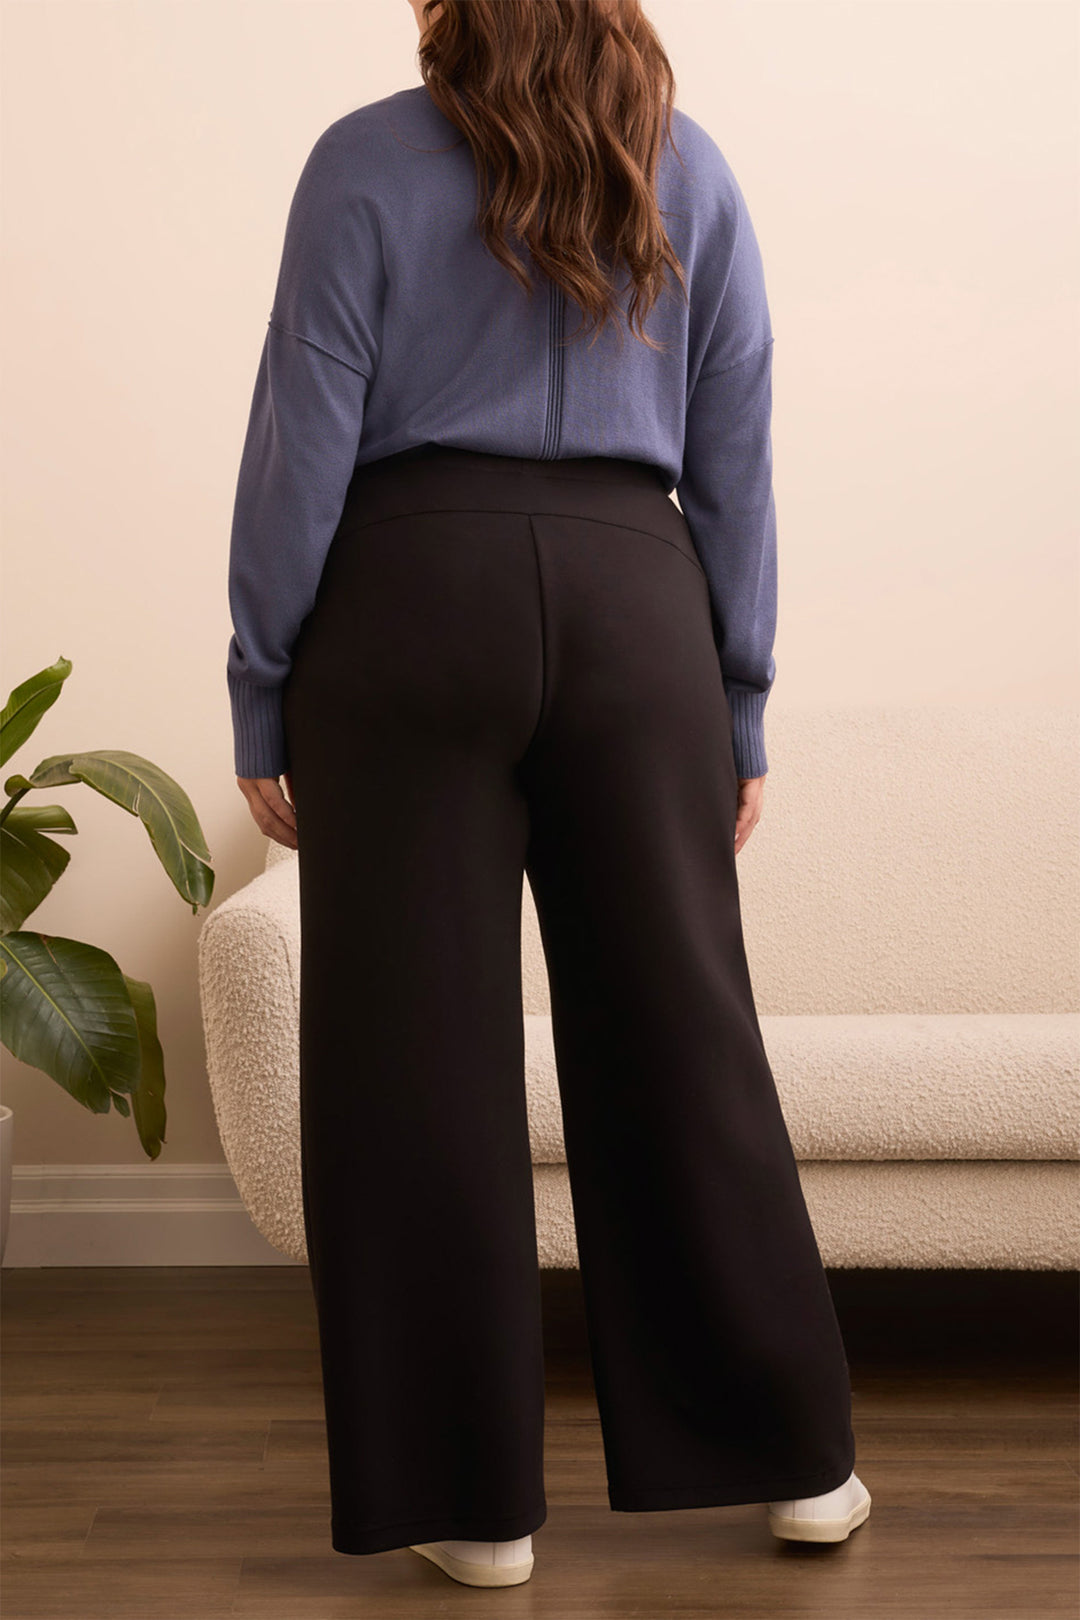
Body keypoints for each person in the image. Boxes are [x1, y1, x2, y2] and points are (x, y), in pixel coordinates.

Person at [225, 0, 870, 1591]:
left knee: (413, 1051)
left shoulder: (363, 164)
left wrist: (263, 678)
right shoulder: (689, 171)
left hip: (405, 600)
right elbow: (736, 452)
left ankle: (473, 1503)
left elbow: (302, 436)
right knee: (682, 1031)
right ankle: (798, 1461)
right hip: (638, 602)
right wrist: (741, 699)